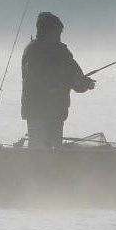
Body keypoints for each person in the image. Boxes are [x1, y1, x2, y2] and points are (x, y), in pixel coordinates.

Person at [20, 11, 95, 148]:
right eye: (58, 32)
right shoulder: (33, 51)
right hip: (37, 113)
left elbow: (76, 79)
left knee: (55, 153)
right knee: (38, 151)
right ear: (47, 32)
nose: (59, 36)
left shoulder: (63, 53)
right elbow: (39, 76)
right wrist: (66, 79)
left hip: (56, 113)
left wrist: (85, 83)